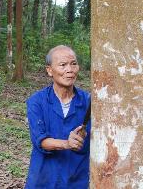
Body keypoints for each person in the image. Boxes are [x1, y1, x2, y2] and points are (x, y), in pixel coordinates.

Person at [25, 45, 91, 189]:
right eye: (63, 65)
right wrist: (67, 143)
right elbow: (40, 140)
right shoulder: (37, 101)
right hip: (43, 178)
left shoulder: (89, 102)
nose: (70, 70)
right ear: (49, 70)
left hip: (76, 178)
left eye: (73, 64)